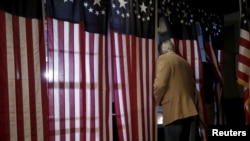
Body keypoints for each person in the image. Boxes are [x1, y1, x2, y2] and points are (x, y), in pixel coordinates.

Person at [153, 39, 199, 141]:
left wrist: (158, 100)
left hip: (173, 111)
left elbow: (159, 85)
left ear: (161, 50)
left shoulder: (164, 59)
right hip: (189, 111)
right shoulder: (185, 62)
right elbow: (191, 86)